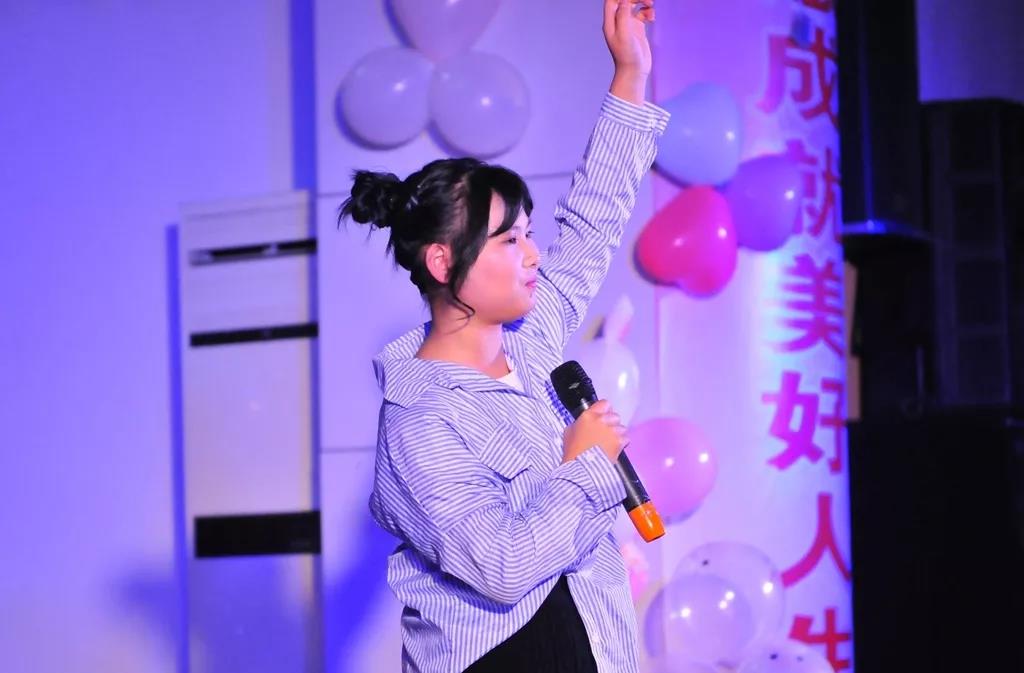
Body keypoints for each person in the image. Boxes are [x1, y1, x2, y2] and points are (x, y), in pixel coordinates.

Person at [339, 2, 668, 670]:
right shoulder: (419, 419)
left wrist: (630, 74)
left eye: (529, 234)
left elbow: (593, 222)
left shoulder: (529, 341)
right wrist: (586, 466)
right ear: (443, 262)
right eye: (510, 240)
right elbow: (500, 564)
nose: (533, 255)